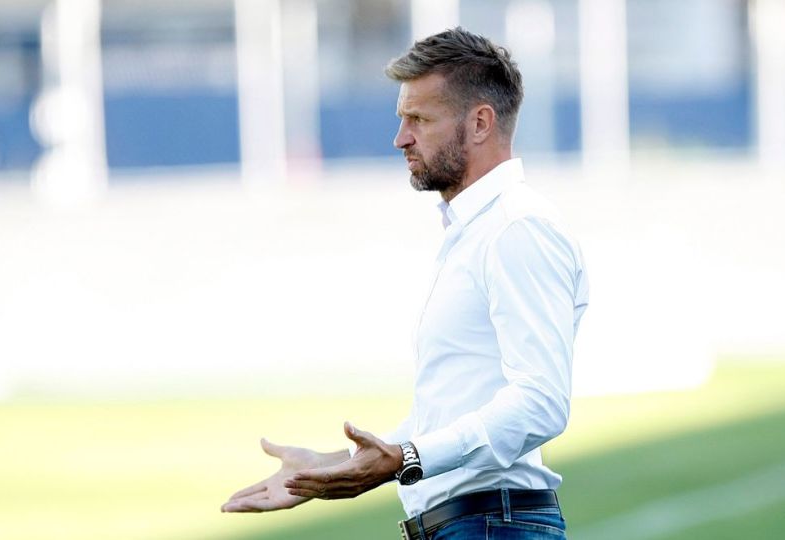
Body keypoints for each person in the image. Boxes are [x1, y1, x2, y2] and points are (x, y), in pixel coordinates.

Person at [222, 27, 589, 540]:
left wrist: (407, 458)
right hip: (474, 523)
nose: (401, 138)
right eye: (402, 119)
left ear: (480, 123)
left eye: (419, 119)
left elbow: (541, 401)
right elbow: (449, 412)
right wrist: (334, 464)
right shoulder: (477, 230)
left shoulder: (516, 228)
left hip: (490, 524)